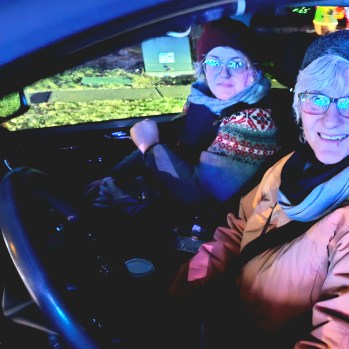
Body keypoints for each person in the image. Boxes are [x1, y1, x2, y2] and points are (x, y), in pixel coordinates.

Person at [170, 30, 349, 348]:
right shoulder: (295, 163)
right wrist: (185, 295)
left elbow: (344, 338)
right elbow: (235, 230)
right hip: (225, 319)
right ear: (298, 107)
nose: (330, 120)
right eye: (316, 98)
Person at [87, 18, 280, 244]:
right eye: (214, 62)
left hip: (213, 231)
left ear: (254, 68)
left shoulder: (254, 121)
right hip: (177, 205)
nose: (223, 74)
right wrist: (115, 174)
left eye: (236, 64)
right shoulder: (204, 99)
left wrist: (150, 148)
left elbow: (199, 193)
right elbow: (172, 140)